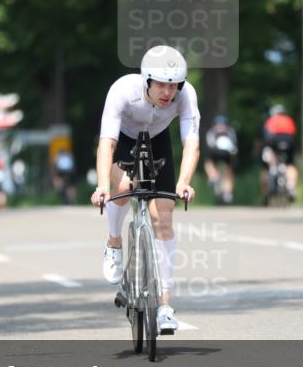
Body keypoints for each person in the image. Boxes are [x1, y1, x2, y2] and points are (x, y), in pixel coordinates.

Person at [91, 45, 200, 333]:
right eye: (161, 85)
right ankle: (114, 243)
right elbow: (107, 143)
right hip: (125, 139)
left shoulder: (186, 95)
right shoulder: (123, 91)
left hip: (158, 139)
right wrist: (103, 185)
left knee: (163, 218)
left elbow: (191, 143)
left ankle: (165, 307)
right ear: (147, 81)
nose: (168, 92)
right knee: (125, 186)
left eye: (173, 86)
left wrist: (184, 182)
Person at [260, 104, 298, 201]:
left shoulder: (271, 120)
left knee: (271, 157)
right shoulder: (289, 120)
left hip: (274, 140)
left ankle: (273, 169)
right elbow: (293, 133)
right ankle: (291, 187)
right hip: (289, 141)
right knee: (290, 165)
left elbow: (266, 136)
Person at [203, 115, 238, 204]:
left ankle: (213, 176)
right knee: (229, 172)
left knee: (208, 162)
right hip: (227, 153)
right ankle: (228, 193)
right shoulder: (230, 131)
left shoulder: (212, 131)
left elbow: (210, 144)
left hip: (215, 152)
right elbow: (234, 145)